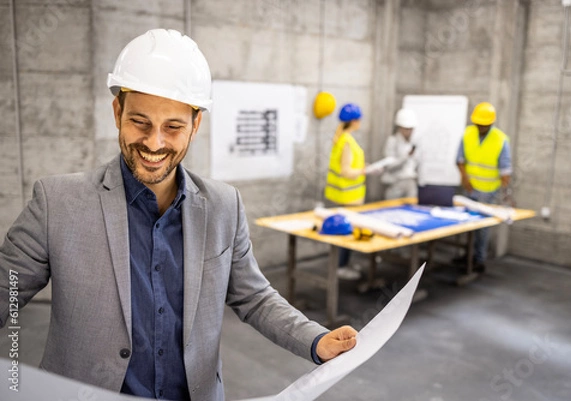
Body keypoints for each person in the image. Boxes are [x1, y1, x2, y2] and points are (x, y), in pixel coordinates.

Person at [0, 29, 357, 401]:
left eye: (173, 127)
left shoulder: (224, 205)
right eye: (140, 122)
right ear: (117, 112)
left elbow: (254, 297)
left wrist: (316, 340)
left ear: (195, 125)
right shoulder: (57, 202)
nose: (154, 143)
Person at [324, 103, 379, 280]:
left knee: (345, 232)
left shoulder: (343, 138)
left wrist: (364, 168)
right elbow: (346, 171)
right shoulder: (346, 141)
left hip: (346, 196)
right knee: (344, 233)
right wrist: (365, 171)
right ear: (354, 121)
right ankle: (340, 267)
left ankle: (344, 264)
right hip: (347, 197)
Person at [456, 102, 512, 272]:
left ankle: (478, 259)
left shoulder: (500, 140)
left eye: (483, 124)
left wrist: (505, 193)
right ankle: (466, 255)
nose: (479, 127)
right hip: (470, 188)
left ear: (490, 123)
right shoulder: (468, 133)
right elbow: (460, 160)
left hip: (489, 192)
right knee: (466, 224)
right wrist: (465, 178)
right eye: (477, 124)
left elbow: (505, 172)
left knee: (482, 228)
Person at [381, 108, 419, 200]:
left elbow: (416, 164)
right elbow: (389, 166)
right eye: (407, 129)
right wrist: (406, 157)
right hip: (396, 182)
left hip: (411, 182)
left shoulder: (414, 142)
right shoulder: (392, 141)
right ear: (400, 127)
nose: (409, 132)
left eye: (411, 129)